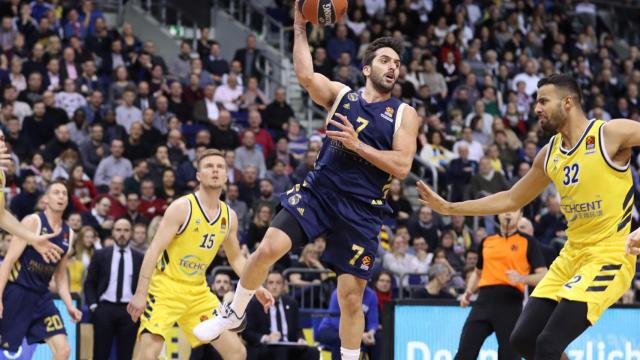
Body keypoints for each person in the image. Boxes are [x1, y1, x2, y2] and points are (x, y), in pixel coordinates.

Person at [192, 6, 420, 360]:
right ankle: (233, 312)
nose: (393, 67)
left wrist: (357, 145)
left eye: (396, 63)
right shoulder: (343, 95)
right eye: (386, 60)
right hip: (320, 192)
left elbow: (403, 165)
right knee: (268, 248)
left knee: (350, 298)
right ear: (366, 68)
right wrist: (299, 27)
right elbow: (305, 75)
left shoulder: (404, 114)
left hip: (363, 209)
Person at [418, 74, 639, 358]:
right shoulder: (549, 154)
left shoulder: (610, 133)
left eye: (543, 101)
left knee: (548, 343)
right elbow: (512, 198)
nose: (536, 108)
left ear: (568, 102)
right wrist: (450, 207)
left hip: (610, 254)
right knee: (522, 340)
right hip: (571, 256)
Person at [126, 150, 274, 360]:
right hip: (164, 289)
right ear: (198, 175)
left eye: (220, 167)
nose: (215, 170)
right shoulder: (181, 208)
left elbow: (236, 258)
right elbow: (153, 250)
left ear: (226, 176)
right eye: (209, 166)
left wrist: (255, 287)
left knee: (237, 352)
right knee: (148, 353)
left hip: (197, 292)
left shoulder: (229, 216)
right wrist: (141, 293)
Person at [0, 181, 82, 358]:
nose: (61, 196)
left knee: (64, 350)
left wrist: (69, 305)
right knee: (5, 350)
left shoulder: (69, 234)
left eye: (64, 193)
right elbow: (7, 262)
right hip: (17, 293)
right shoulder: (33, 222)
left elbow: (60, 276)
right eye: (56, 192)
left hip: (42, 297)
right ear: (46, 199)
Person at [455, 209, 546, 360]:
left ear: (520, 215)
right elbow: (478, 272)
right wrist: (468, 292)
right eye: (504, 210)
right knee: (465, 351)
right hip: (483, 301)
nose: (508, 213)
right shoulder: (487, 241)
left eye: (514, 210)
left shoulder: (528, 242)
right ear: (498, 214)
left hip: (510, 303)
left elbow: (543, 275)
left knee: (509, 355)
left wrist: (522, 279)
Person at [84, 218, 142, 360]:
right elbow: (90, 283)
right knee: (100, 354)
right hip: (104, 309)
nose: (122, 234)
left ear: (132, 233)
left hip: (130, 311)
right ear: (112, 232)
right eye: (118, 230)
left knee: (126, 354)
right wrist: (93, 307)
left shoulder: (139, 258)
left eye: (126, 230)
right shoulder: (100, 255)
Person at [244, 270, 319, 360]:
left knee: (313, 351)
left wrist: (301, 339)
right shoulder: (255, 304)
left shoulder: (292, 303)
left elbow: (297, 330)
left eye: (278, 283)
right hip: (265, 347)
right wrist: (265, 338)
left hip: (289, 346)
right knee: (280, 350)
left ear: (283, 286)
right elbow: (247, 332)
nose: (274, 286)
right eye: (271, 283)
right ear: (265, 285)